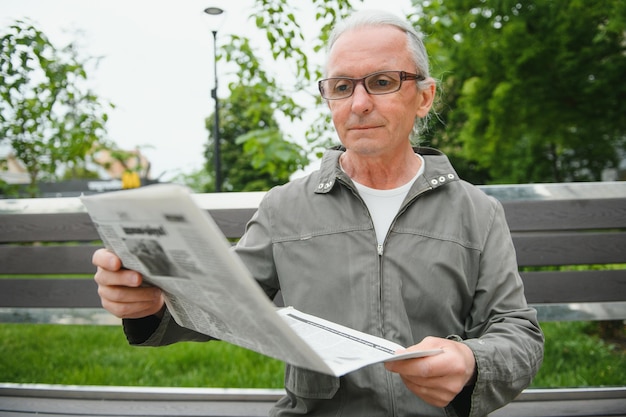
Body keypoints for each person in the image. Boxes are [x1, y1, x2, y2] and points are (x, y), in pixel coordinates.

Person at [93, 9, 544, 417]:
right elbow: (221, 304)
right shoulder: (284, 208)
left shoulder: (478, 213)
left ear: (424, 97)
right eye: (342, 87)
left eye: (383, 82)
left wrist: (472, 362)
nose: (359, 103)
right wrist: (152, 304)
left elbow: (517, 333)